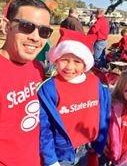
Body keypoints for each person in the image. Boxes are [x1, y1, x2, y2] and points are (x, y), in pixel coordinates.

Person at [38, 28, 111, 166]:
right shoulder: (49, 88)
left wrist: (101, 142)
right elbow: (44, 128)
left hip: (89, 148)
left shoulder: (96, 83)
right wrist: (51, 159)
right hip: (63, 153)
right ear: (56, 59)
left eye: (77, 62)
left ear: (85, 64)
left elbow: (104, 114)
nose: (69, 67)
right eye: (64, 60)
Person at [0, 0, 53, 165]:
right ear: (6, 26)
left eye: (44, 31)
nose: (36, 38)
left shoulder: (37, 67)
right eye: (26, 26)